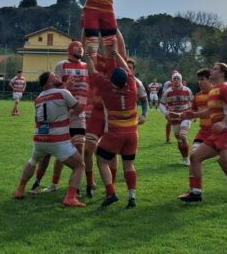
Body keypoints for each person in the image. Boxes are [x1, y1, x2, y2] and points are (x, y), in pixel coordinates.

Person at [178, 62, 227, 211]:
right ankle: (196, 192)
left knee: (226, 166)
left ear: (222, 74)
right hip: (216, 134)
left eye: (215, 69)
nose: (211, 70)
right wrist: (194, 114)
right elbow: (210, 112)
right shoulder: (213, 91)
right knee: (195, 157)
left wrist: (223, 122)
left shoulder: (226, 88)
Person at [13, 72, 86, 207]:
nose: (58, 76)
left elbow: (38, 119)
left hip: (39, 139)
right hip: (58, 140)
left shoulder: (39, 98)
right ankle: (70, 197)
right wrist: (86, 97)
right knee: (79, 165)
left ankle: (20, 189)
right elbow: (79, 108)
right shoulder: (63, 93)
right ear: (49, 82)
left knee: (33, 161)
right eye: (55, 76)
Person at [30, 41, 90, 195]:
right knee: (48, 153)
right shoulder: (62, 65)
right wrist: (66, 88)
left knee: (78, 150)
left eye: (82, 47)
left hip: (79, 114)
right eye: (77, 46)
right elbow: (53, 89)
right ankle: (41, 183)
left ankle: (75, 189)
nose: (80, 48)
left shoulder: (86, 66)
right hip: (60, 113)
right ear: (69, 50)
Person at [88, 41, 141, 208]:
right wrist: (117, 54)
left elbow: (92, 72)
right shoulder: (132, 85)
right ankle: (132, 197)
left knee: (102, 160)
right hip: (133, 134)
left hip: (115, 133)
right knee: (129, 164)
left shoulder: (106, 87)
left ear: (111, 79)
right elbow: (127, 69)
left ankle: (111, 192)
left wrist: (89, 56)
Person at [161, 72, 193, 165]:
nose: (176, 80)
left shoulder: (187, 90)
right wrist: (166, 113)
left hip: (185, 116)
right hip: (174, 118)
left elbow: (193, 102)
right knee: (178, 139)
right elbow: (161, 104)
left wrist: (193, 113)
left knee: (183, 135)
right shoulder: (168, 92)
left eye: (177, 78)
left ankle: (187, 160)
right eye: (174, 79)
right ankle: (184, 158)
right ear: (171, 80)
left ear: (181, 80)